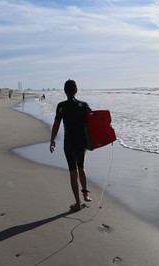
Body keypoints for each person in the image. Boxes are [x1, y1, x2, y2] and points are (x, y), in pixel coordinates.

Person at [50, 79, 92, 211]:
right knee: (81, 167)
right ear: (76, 90)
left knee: (73, 172)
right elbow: (94, 122)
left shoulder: (61, 106)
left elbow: (56, 124)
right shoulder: (84, 105)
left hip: (69, 143)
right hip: (82, 142)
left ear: (65, 91)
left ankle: (78, 203)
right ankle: (85, 195)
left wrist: (52, 140)